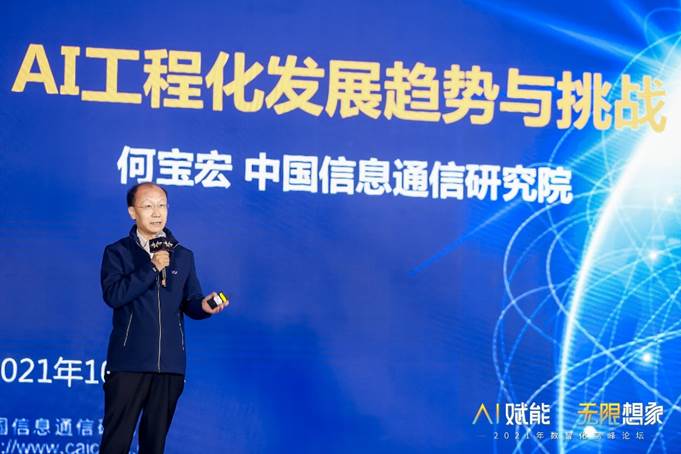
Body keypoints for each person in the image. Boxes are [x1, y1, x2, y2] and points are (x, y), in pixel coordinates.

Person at [99, 182, 227, 454]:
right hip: (129, 363)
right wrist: (151, 267)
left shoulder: (183, 255)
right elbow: (114, 295)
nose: (156, 212)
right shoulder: (118, 252)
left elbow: (190, 302)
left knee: (154, 445)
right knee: (116, 443)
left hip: (170, 366)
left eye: (162, 205)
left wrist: (204, 307)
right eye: (148, 206)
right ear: (132, 212)